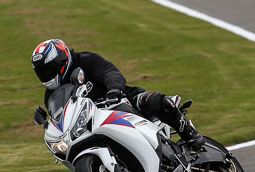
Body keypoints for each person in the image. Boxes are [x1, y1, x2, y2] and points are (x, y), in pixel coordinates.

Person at [31, 39, 205, 151]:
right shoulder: (51, 95)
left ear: (61, 60)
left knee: (157, 101)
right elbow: (62, 119)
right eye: (42, 72)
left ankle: (190, 134)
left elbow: (110, 72)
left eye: (48, 69)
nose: (46, 75)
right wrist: (51, 124)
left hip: (122, 101)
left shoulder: (86, 60)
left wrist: (114, 89)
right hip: (94, 126)